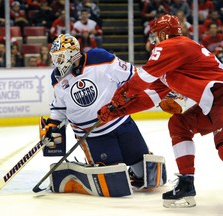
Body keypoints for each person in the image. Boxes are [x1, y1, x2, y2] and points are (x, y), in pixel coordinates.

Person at [97, 14, 223, 208]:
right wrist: (116, 112)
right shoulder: (171, 63)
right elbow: (149, 98)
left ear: (163, 34)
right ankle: (186, 184)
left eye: (156, 35)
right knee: (179, 124)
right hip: (212, 102)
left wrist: (117, 99)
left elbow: (140, 80)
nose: (154, 40)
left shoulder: (171, 46)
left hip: (220, 96)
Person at [41, 34, 167, 197]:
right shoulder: (57, 77)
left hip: (121, 122)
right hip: (92, 134)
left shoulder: (99, 58)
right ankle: (75, 178)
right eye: (54, 58)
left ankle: (131, 173)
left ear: (72, 54)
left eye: (60, 58)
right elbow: (59, 108)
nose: (56, 62)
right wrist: (53, 124)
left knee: (147, 175)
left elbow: (132, 75)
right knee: (111, 180)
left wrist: (149, 91)